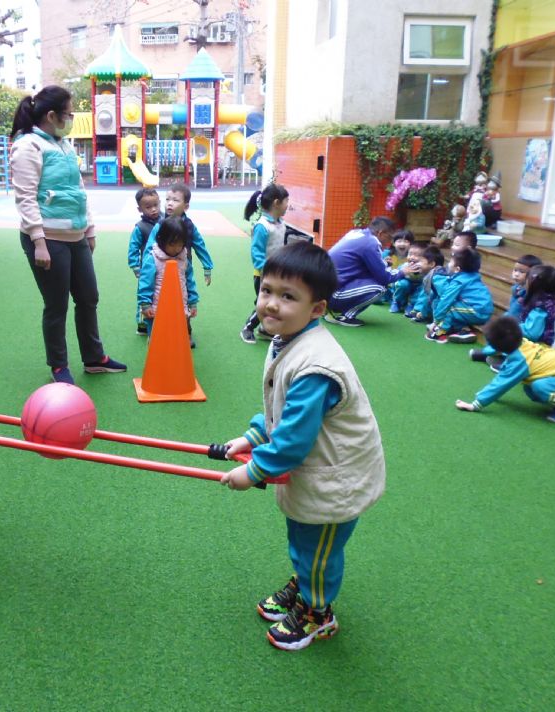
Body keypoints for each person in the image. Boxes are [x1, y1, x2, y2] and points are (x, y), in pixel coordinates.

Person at [219, 241, 385, 651]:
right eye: (267, 290)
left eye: (288, 296)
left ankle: (319, 613)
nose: (271, 303)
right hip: (316, 471)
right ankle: (305, 581)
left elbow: (293, 438)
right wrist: (253, 435)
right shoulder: (288, 339)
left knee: (320, 549)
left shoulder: (316, 366)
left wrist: (253, 471)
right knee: (303, 537)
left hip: (336, 480)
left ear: (317, 309)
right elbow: (282, 411)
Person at [9, 85, 127, 385]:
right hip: (48, 239)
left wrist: (89, 228)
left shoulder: (64, 145)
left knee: (88, 297)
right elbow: (25, 197)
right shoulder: (27, 146)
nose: (72, 118)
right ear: (52, 115)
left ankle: (94, 357)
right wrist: (38, 241)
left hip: (75, 237)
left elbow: (78, 190)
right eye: (69, 113)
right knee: (56, 304)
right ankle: (59, 365)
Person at [456, 316, 555, 424]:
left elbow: (501, 383)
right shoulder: (522, 343)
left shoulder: (519, 361)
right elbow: (498, 351)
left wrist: (476, 404)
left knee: (540, 387)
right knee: (530, 388)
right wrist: (485, 352)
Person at [325, 216, 417, 327]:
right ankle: (342, 316)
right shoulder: (371, 243)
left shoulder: (357, 233)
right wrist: (402, 271)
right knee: (380, 288)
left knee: (374, 280)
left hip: (324, 290)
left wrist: (383, 263)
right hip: (333, 293)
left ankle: (329, 308)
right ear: (381, 233)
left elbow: (358, 265)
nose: (390, 242)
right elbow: (385, 278)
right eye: (390, 237)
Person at [136, 216, 198, 346]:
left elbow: (189, 281)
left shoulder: (183, 258)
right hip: (156, 308)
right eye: (172, 244)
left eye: (180, 244)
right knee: (157, 339)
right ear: (162, 240)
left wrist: (192, 302)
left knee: (176, 337)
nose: (176, 248)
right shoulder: (153, 258)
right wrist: (145, 304)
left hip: (179, 306)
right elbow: (145, 283)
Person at [240, 183, 290, 344]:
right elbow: (257, 252)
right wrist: (264, 270)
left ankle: (265, 330)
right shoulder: (262, 226)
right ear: (276, 203)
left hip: (277, 272)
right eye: (286, 201)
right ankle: (248, 328)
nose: (288, 206)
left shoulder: (280, 223)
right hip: (264, 274)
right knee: (265, 302)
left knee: (273, 301)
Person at [141, 183, 214, 285]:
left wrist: (207, 267)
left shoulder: (189, 226)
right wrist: (146, 267)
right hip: (161, 268)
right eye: (167, 199)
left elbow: (200, 246)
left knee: (185, 290)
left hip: (184, 269)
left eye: (175, 200)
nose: (170, 203)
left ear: (186, 207)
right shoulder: (160, 225)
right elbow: (150, 246)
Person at [425, 248, 493, 344]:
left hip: (477, 311)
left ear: (457, 269)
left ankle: (440, 333)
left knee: (449, 308)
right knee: (453, 307)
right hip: (478, 310)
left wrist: (436, 321)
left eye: (451, 261)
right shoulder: (472, 276)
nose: (448, 263)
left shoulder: (459, 281)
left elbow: (446, 299)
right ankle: (464, 331)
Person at [127, 188, 161, 334]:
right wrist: (135, 266)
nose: (153, 209)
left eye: (156, 205)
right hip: (147, 268)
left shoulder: (166, 221)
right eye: (148, 207)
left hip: (163, 266)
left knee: (160, 292)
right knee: (145, 293)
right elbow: (133, 247)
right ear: (140, 209)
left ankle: (161, 317)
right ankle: (142, 323)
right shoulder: (140, 227)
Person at [517, 264, 555, 345]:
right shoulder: (547, 302)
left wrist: (514, 327)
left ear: (533, 284)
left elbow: (532, 333)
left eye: (527, 279)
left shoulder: (541, 307)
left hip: (539, 346)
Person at [407, 243, 444, 322]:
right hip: (434, 305)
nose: (418, 264)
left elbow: (440, 295)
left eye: (421, 261)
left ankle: (423, 314)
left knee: (429, 295)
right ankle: (417, 310)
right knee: (424, 292)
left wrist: (424, 313)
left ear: (431, 264)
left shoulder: (437, 277)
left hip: (441, 307)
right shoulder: (429, 275)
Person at [389, 242, 425, 314]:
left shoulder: (425, 267)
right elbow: (396, 276)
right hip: (405, 284)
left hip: (418, 285)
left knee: (422, 288)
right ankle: (397, 302)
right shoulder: (404, 265)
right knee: (402, 284)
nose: (412, 257)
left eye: (417, 255)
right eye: (410, 254)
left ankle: (411, 305)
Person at [506, 254, 542, 319]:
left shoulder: (530, 295)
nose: (516, 274)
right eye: (515, 270)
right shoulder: (517, 288)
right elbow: (511, 310)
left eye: (522, 272)